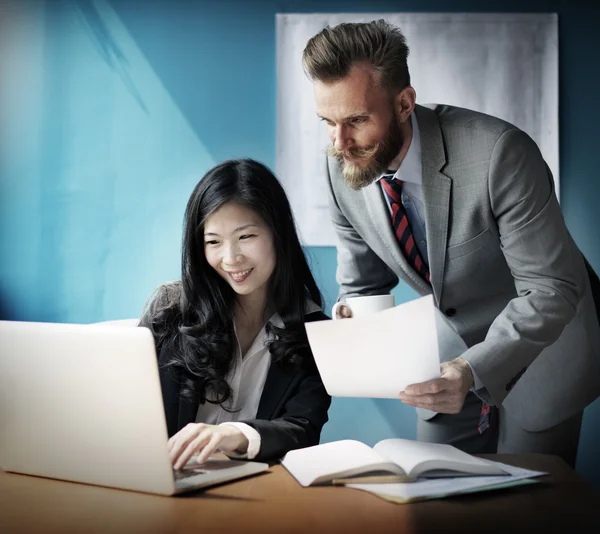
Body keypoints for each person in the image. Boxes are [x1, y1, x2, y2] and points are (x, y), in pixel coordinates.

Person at [302, 19, 600, 467]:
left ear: (404, 103)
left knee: (523, 509)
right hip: (446, 350)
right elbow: (364, 284)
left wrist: (472, 369)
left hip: (545, 347)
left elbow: (550, 288)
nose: (339, 142)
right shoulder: (342, 165)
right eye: (327, 121)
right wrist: (353, 314)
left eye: (356, 121)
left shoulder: (501, 153)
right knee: (437, 490)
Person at [139, 159, 331, 468]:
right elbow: (129, 408)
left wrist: (236, 434)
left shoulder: (314, 332)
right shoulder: (171, 311)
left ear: (278, 234)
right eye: (213, 242)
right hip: (164, 481)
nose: (231, 258)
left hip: (260, 494)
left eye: (246, 237)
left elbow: (302, 429)